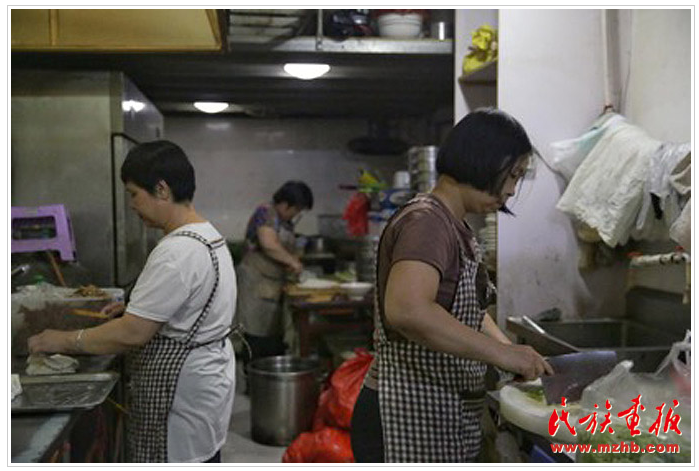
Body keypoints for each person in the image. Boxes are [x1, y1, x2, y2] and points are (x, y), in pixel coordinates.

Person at [350, 108, 554, 463]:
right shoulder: (426, 223)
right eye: (513, 175)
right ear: (485, 160)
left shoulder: (453, 225)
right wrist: (503, 355)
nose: (511, 190)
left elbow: (468, 312)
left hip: (433, 410)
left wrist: (511, 354)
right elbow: (408, 310)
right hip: (403, 412)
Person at [28, 140, 237, 464]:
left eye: (134, 194)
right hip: (204, 384)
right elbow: (194, 302)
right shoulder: (207, 235)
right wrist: (143, 309)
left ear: (162, 189)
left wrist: (62, 340)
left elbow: (133, 333)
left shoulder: (177, 251)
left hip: (177, 393)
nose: (132, 205)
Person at [236, 181, 313, 363]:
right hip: (256, 283)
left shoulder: (285, 222)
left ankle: (270, 374)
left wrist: (291, 261)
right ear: (285, 204)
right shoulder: (266, 212)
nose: (296, 215)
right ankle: (254, 376)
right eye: (297, 209)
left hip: (273, 284)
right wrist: (292, 261)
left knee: (272, 338)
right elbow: (269, 244)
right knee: (256, 336)